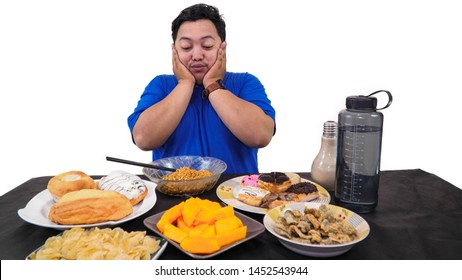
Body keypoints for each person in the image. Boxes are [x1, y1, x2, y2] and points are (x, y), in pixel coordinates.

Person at [127, 3, 276, 173]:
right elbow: (143, 139)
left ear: (223, 47)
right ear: (174, 50)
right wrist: (185, 83)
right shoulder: (161, 85)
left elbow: (261, 136)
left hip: (237, 196)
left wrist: (212, 84)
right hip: (172, 195)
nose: (197, 56)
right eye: (186, 47)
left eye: (207, 46)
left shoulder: (245, 82)